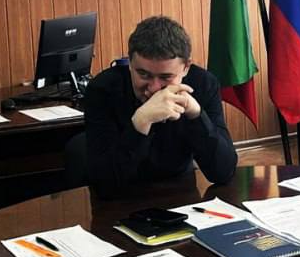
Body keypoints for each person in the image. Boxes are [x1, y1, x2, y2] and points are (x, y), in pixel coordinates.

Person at [77, 15, 237, 190]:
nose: (154, 88)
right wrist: (141, 123)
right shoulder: (102, 89)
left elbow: (223, 173)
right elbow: (103, 184)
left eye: (166, 77)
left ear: (186, 68)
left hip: (181, 192)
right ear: (129, 63)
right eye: (143, 74)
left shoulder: (203, 84)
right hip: (122, 197)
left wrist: (197, 115)